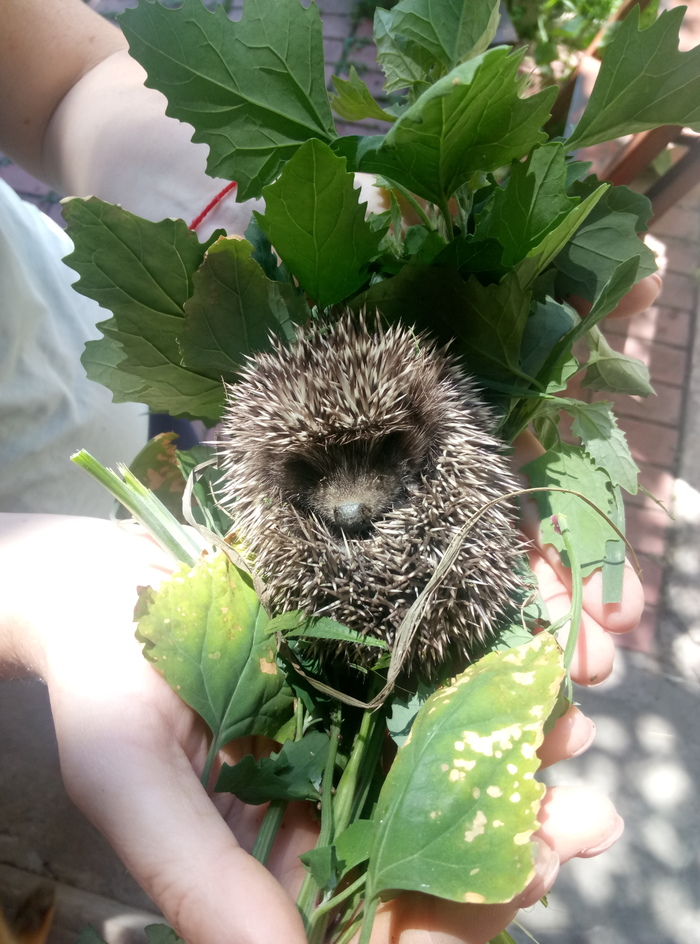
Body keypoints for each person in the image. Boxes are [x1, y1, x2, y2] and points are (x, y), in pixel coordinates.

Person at [0, 0, 661, 941]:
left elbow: (64, 82)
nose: (350, 508)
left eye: (379, 466)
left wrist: (246, 213)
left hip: (52, 370)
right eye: (323, 478)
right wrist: (21, 593)